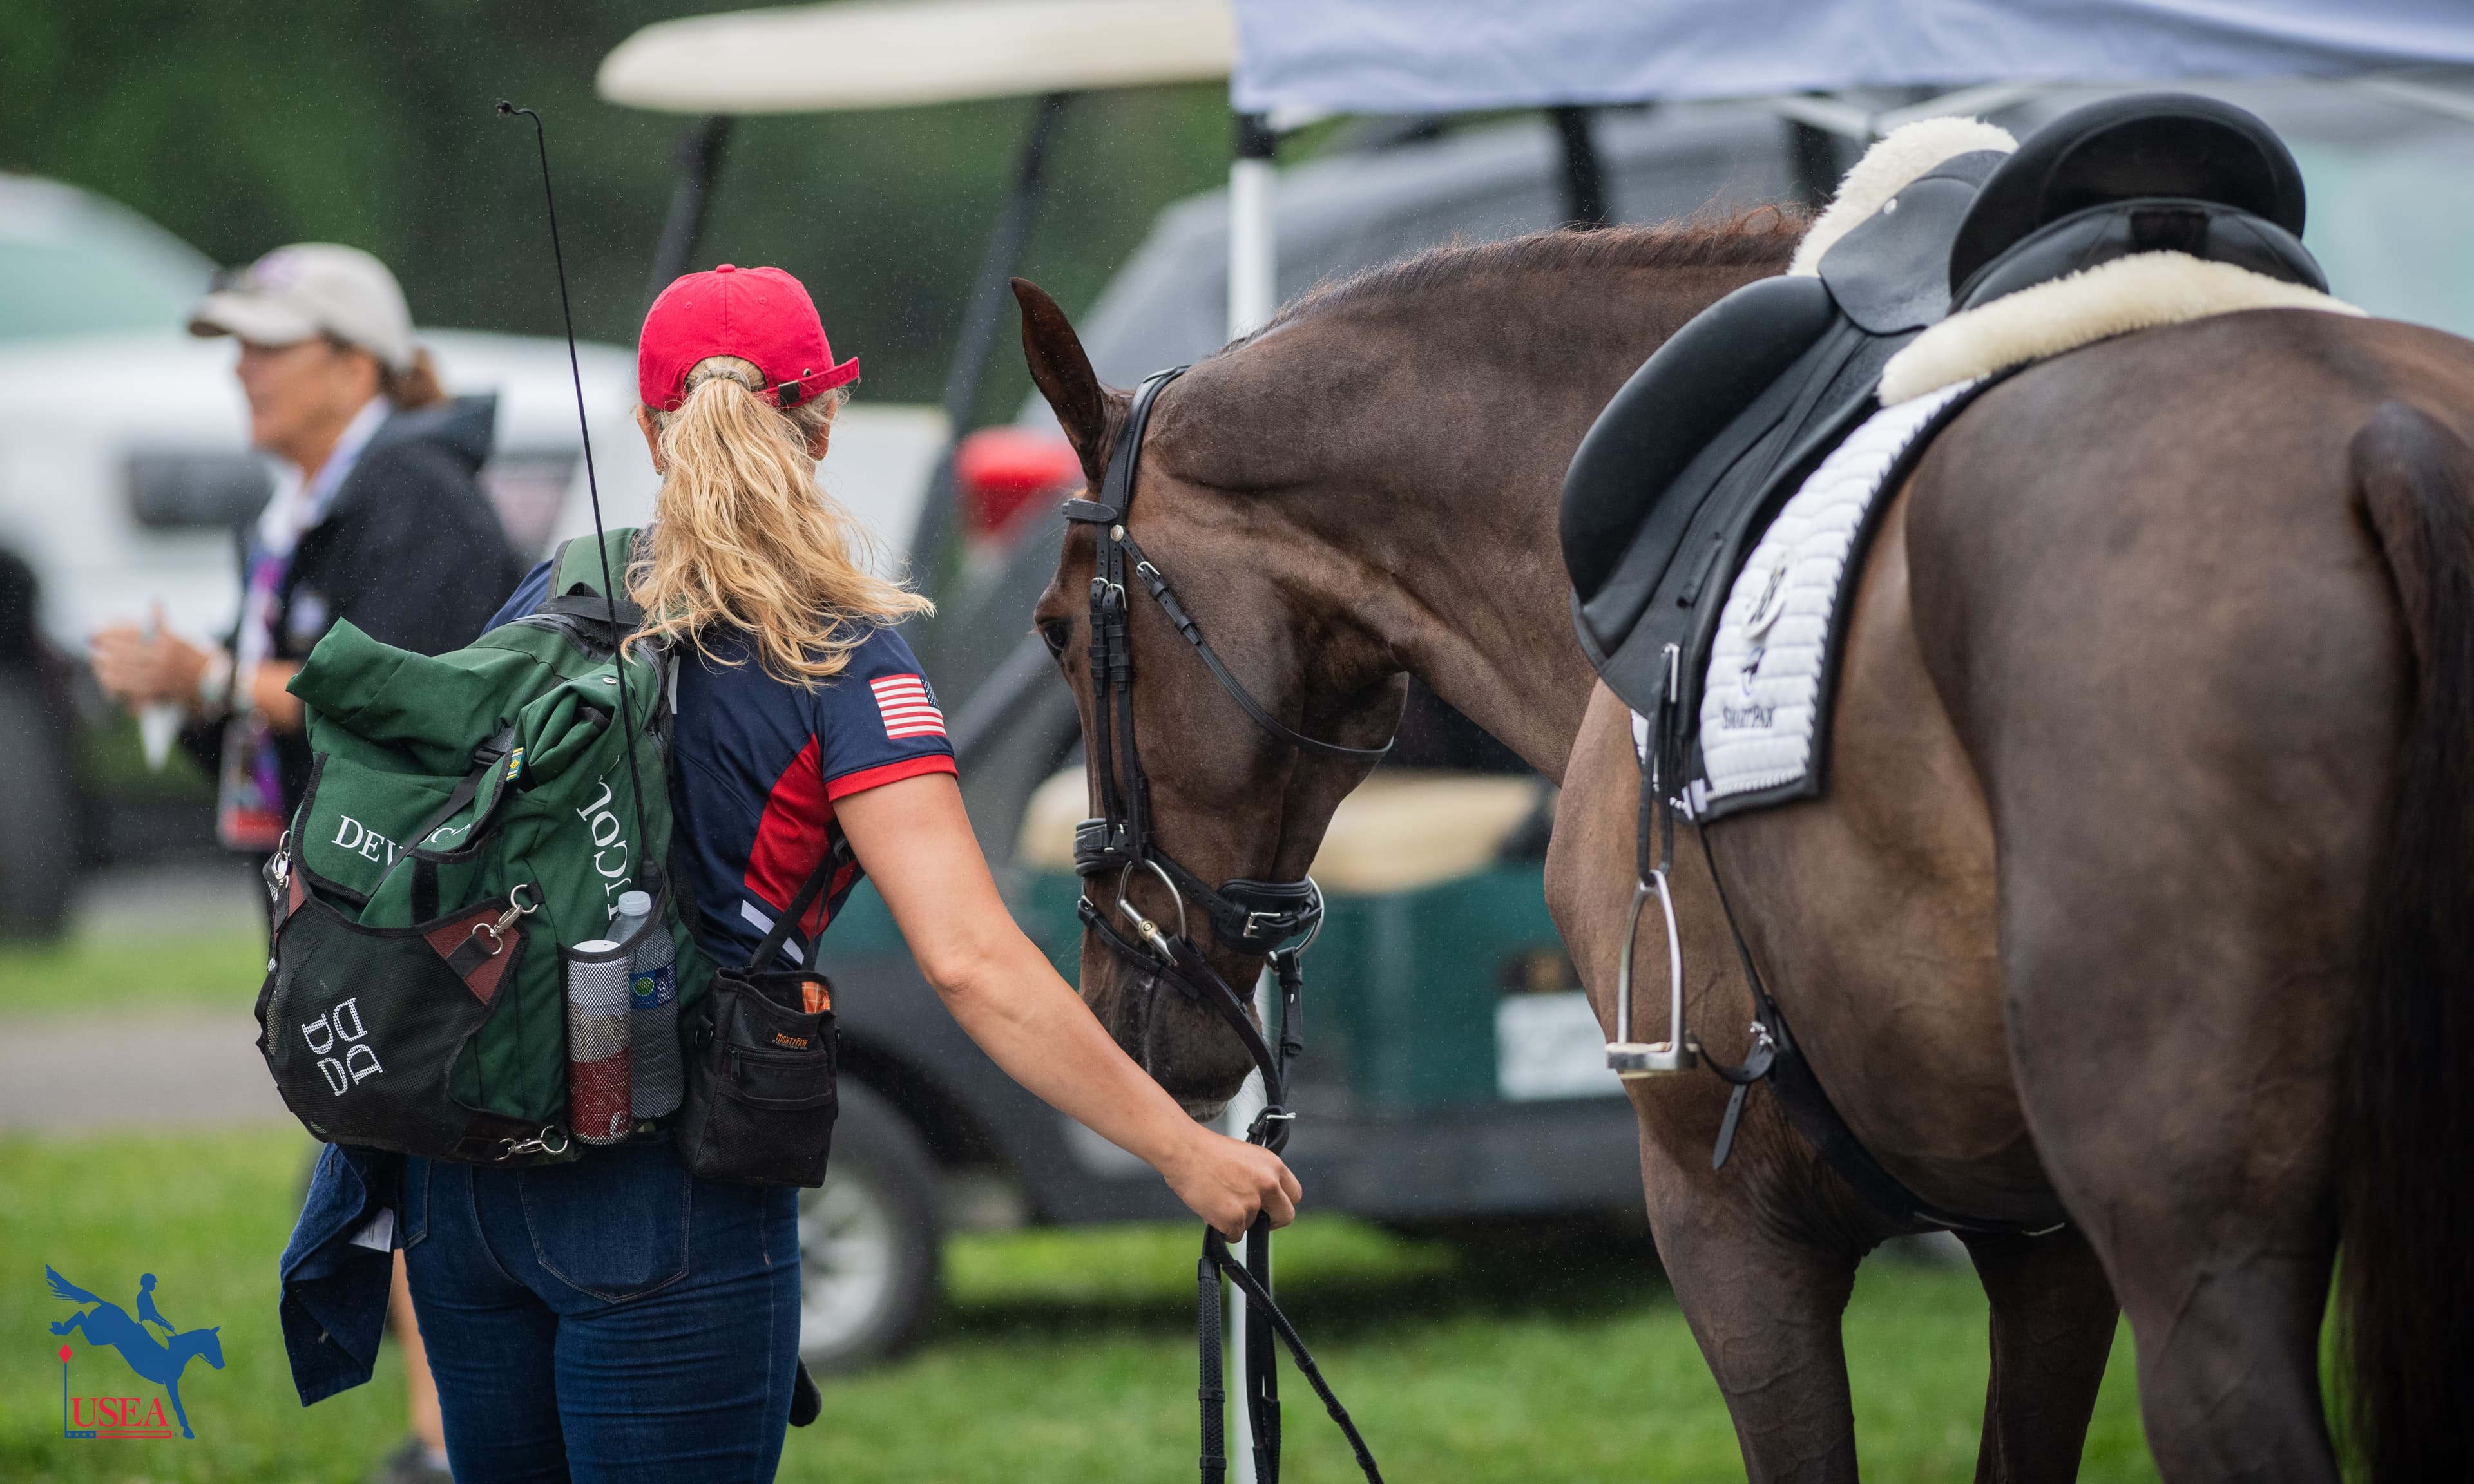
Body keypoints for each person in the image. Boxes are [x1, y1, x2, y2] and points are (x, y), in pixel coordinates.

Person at [345, 263, 1298, 1481]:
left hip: (462, 1184)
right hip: (665, 1187)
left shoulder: (551, 594)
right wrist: (1183, 1148)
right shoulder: (839, 653)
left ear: (648, 427)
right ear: (825, 419)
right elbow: (970, 960)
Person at [90, 242, 522, 1484]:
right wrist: (184, 699)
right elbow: (275, 733)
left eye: (266, 347)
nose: (242, 373)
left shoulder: (415, 499)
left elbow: (421, 705)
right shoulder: (297, 512)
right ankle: (450, 1440)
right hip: (342, 915)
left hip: (424, 912)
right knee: (389, 1162)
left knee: (422, 1164)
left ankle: (459, 1444)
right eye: (235, 349)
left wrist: (217, 679)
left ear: (353, 361)